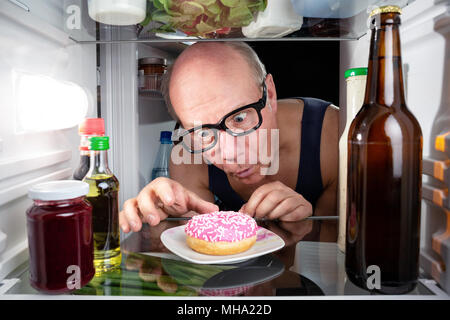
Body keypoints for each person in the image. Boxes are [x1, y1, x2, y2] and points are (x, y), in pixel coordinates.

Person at [120, 41, 338, 232]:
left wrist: (307, 227)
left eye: (240, 119)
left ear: (269, 94)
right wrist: (161, 229)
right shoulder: (187, 156)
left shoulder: (331, 134)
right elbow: (204, 260)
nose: (232, 155)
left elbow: (335, 259)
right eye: (203, 132)